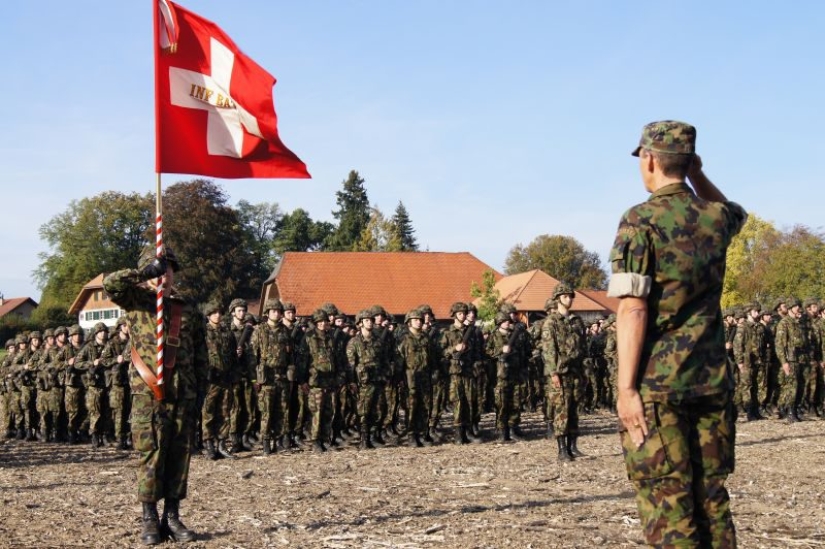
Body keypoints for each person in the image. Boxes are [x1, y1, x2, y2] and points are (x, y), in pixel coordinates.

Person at [608, 120, 746, 547]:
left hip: (658, 385)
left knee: (669, 503)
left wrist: (626, 388)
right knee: (711, 499)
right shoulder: (715, 218)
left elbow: (632, 306)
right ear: (687, 163)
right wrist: (697, 175)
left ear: (648, 159)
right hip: (710, 381)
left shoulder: (640, 220)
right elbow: (737, 214)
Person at [103, 245, 207, 545]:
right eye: (160, 270)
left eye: (168, 270)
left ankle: (172, 516)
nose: (165, 276)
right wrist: (144, 272)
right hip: (148, 394)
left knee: (179, 457)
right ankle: (149, 518)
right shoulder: (136, 302)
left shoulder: (187, 310)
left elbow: (201, 355)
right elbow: (113, 284)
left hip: (182, 394)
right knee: (151, 455)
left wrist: (200, 390)